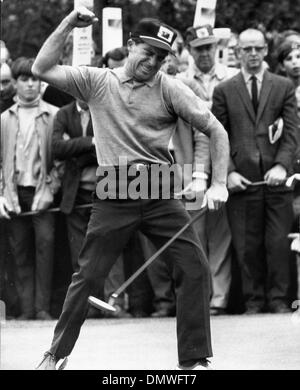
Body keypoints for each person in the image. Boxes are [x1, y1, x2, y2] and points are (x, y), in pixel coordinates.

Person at [32, 8, 229, 370]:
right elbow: (41, 69)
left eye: (161, 57)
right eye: (148, 52)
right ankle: (55, 354)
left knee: (195, 267)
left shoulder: (170, 87)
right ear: (131, 45)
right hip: (114, 189)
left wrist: (218, 183)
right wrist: (69, 24)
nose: (153, 62)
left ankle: (194, 359)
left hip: (158, 189)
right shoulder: (97, 81)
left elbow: (215, 129)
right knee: (88, 275)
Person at [212, 28, 299, 315]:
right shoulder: (224, 90)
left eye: (257, 49)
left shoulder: (283, 86)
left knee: (276, 244)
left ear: (265, 50)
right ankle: (253, 301)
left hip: (276, 181)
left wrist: (281, 165)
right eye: (246, 49)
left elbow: (292, 133)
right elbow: (218, 134)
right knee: (246, 246)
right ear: (238, 52)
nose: (252, 54)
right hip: (242, 182)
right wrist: (228, 172)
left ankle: (277, 300)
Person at [177, 25, 239, 315]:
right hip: (193, 169)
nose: (205, 53)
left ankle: (219, 298)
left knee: (222, 236)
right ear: (189, 50)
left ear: (217, 48)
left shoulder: (231, 77)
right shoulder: (179, 81)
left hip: (226, 167)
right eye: (199, 48)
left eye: (209, 47)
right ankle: (201, 297)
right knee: (196, 235)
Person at [0, 57, 59, 320]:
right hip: (15, 194)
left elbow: (60, 162)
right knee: (20, 251)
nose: (30, 85)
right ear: (14, 84)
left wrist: (51, 188)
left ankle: (42, 308)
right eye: (24, 79)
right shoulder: (4, 119)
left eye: (34, 79)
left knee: (45, 250)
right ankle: (25, 311)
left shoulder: (53, 114)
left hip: (43, 194)